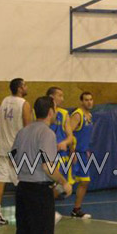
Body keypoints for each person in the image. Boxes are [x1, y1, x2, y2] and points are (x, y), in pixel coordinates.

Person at [11, 96, 72, 234]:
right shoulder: (47, 133)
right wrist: (63, 182)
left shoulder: (23, 131)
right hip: (39, 192)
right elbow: (48, 166)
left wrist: (26, 172)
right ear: (51, 112)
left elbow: (13, 158)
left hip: (23, 190)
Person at [0, 78, 32, 225]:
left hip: (2, 148)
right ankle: (27, 212)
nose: (27, 87)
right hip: (17, 150)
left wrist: (6, 130)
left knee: (1, 180)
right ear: (20, 88)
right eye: (25, 85)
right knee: (25, 181)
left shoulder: (3, 102)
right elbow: (28, 129)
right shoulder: (24, 104)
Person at [46, 87, 75, 224]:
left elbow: (70, 136)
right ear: (52, 97)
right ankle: (47, 210)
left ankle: (46, 208)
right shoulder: (41, 113)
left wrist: (65, 143)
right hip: (47, 155)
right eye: (60, 95)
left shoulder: (64, 114)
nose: (62, 99)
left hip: (61, 156)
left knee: (63, 187)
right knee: (49, 184)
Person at [68, 91, 94, 219]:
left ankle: (76, 209)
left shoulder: (89, 115)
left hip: (83, 153)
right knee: (65, 184)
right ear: (81, 101)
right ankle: (44, 208)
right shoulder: (77, 115)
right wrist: (72, 152)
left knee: (85, 181)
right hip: (74, 154)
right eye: (86, 100)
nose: (89, 102)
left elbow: (84, 135)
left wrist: (86, 149)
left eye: (91, 99)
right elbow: (68, 133)